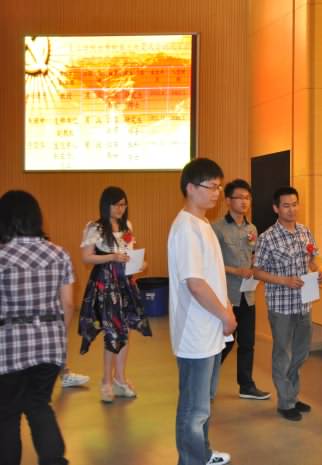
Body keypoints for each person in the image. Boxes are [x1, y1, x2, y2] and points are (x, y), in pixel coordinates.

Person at [168, 158, 237, 465]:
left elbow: (211, 275)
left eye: (219, 187)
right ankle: (190, 459)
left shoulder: (203, 224)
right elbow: (195, 283)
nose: (217, 193)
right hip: (195, 331)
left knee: (203, 403)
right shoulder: (186, 228)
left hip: (209, 328)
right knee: (193, 408)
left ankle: (202, 453)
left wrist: (225, 309)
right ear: (190, 188)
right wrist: (225, 314)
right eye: (211, 187)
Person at [0, 190, 73, 465]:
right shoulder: (59, 254)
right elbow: (68, 304)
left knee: (7, 413)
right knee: (39, 404)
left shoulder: (2, 256)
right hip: (50, 345)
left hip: (9, 346)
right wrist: (59, 336)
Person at [253, 186, 322, 422]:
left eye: (295, 204)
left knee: (301, 353)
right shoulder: (267, 238)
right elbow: (257, 271)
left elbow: (311, 260)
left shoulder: (305, 232)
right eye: (286, 205)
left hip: (304, 304)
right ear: (276, 208)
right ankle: (285, 402)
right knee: (282, 353)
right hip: (281, 306)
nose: (292, 209)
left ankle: (292, 394)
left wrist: (318, 271)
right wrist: (283, 280)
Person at [78, 186, 152, 403]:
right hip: (105, 283)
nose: (121, 209)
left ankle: (120, 379)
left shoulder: (127, 226)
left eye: (124, 204)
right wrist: (111, 256)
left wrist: (140, 264)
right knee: (112, 331)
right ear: (106, 205)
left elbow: (130, 253)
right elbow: (86, 257)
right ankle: (106, 382)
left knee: (124, 330)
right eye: (117, 204)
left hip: (125, 282)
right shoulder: (95, 227)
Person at [212, 179, 270, 400]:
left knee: (247, 343)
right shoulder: (217, 228)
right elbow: (212, 263)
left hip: (248, 294)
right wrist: (236, 271)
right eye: (239, 198)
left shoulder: (252, 228)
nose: (244, 202)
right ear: (228, 201)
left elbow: (253, 255)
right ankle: (206, 383)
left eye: (247, 198)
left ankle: (246, 385)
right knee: (223, 343)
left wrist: (255, 264)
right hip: (227, 295)